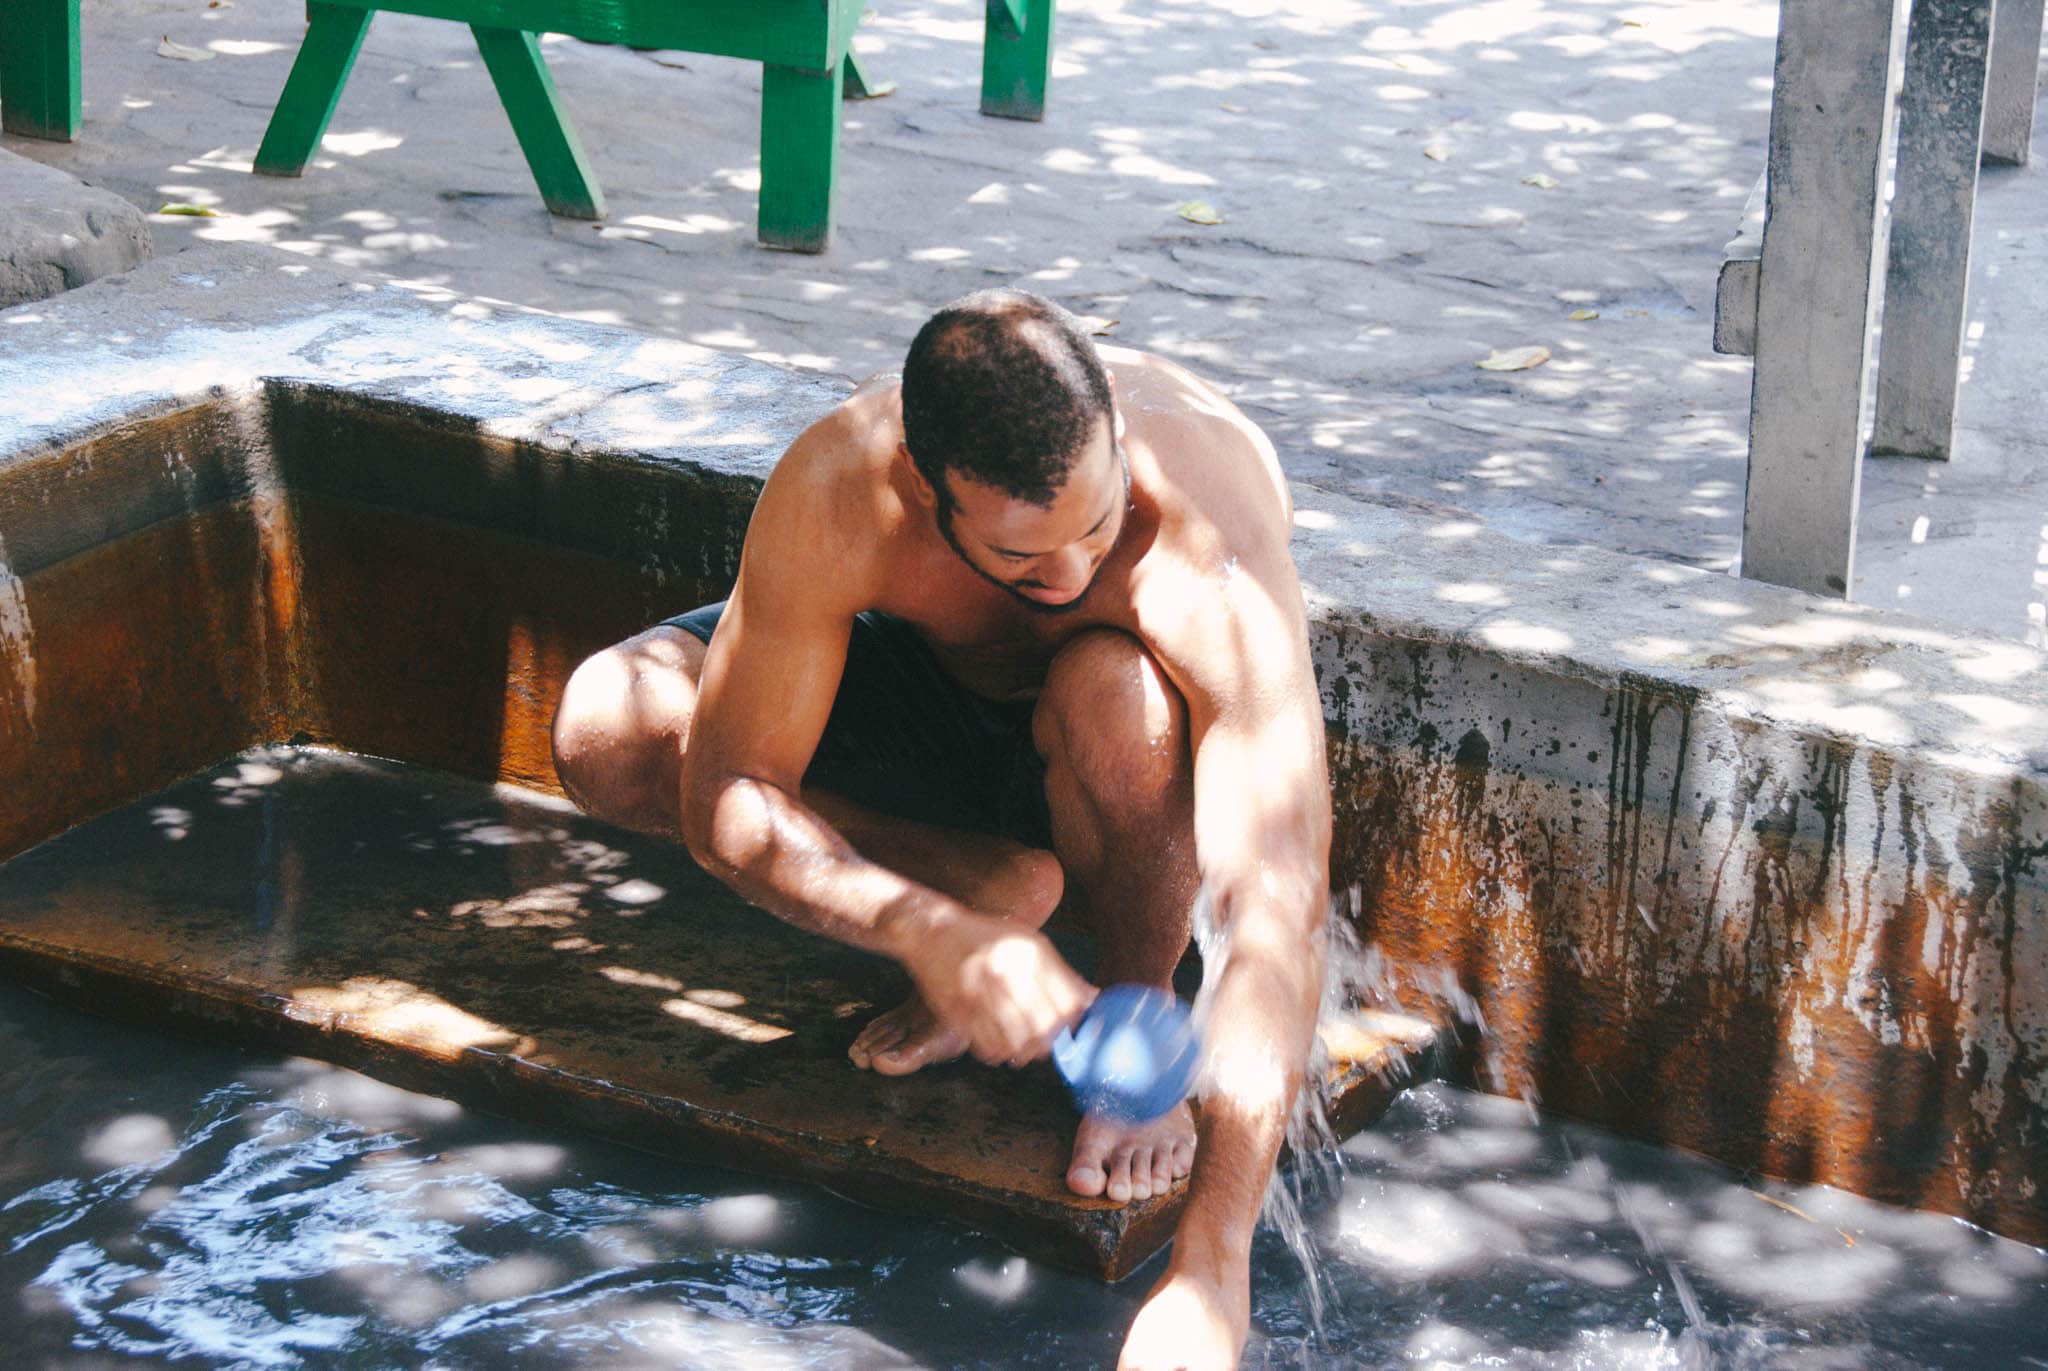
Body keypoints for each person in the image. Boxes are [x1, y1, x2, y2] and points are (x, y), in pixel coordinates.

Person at [551, 289, 1330, 1370]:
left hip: (1103, 735)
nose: (1068, 576)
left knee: (1122, 691)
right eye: (1020, 558)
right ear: (925, 489)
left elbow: (1277, 901)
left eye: (1094, 531)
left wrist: (1209, 1271)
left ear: (1116, 440)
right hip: (933, 703)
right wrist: (926, 928)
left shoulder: (1203, 543)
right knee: (606, 725)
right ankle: (983, 890)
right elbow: (727, 796)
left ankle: (1133, 1000)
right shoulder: (840, 486)